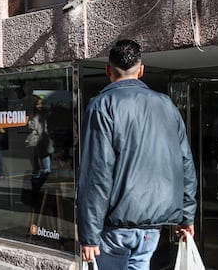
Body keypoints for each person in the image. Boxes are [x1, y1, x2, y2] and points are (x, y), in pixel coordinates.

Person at [77, 39, 198, 270]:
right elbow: (185, 165)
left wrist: (89, 234)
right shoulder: (166, 105)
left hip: (115, 226)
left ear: (108, 70)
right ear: (141, 70)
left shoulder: (102, 106)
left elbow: (97, 173)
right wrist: (186, 217)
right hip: (153, 226)